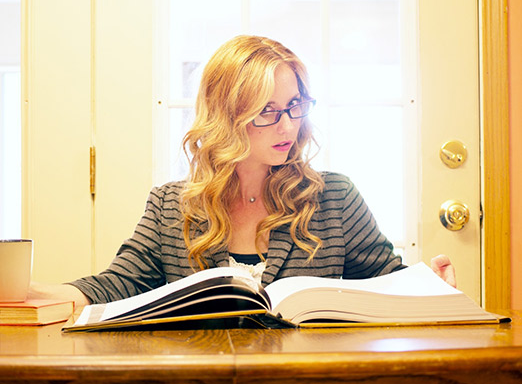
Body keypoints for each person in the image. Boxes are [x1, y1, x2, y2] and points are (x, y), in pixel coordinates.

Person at [29, 35, 456, 308]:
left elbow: (389, 282)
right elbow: (116, 285)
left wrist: (432, 288)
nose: (288, 126)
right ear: (226, 116)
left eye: (294, 105)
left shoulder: (334, 196)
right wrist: (33, 296)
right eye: (267, 111)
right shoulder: (171, 205)